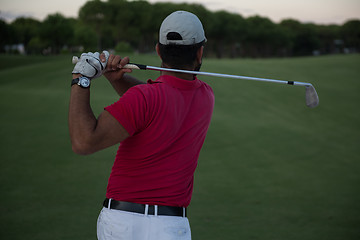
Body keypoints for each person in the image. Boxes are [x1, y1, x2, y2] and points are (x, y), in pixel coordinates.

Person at [68, 10, 214, 240]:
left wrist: (81, 78)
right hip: (172, 228)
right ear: (200, 52)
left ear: (158, 50)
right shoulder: (206, 96)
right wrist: (120, 79)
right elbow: (158, 101)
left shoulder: (145, 98)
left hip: (122, 225)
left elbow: (83, 142)